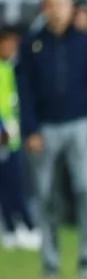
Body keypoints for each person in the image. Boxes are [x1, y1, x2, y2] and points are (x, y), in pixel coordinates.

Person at [15, 0, 87, 279]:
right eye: (51, 3)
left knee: (86, 190)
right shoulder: (32, 44)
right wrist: (30, 129)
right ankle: (51, 261)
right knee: (46, 196)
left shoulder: (86, 43)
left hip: (81, 125)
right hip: (44, 128)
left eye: (62, 3)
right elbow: (25, 91)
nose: (57, 9)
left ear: (72, 7)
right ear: (44, 7)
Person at [0, 24, 40, 251]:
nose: (10, 47)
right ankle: (23, 228)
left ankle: (17, 229)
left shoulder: (11, 68)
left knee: (13, 184)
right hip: (4, 137)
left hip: (12, 137)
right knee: (11, 185)